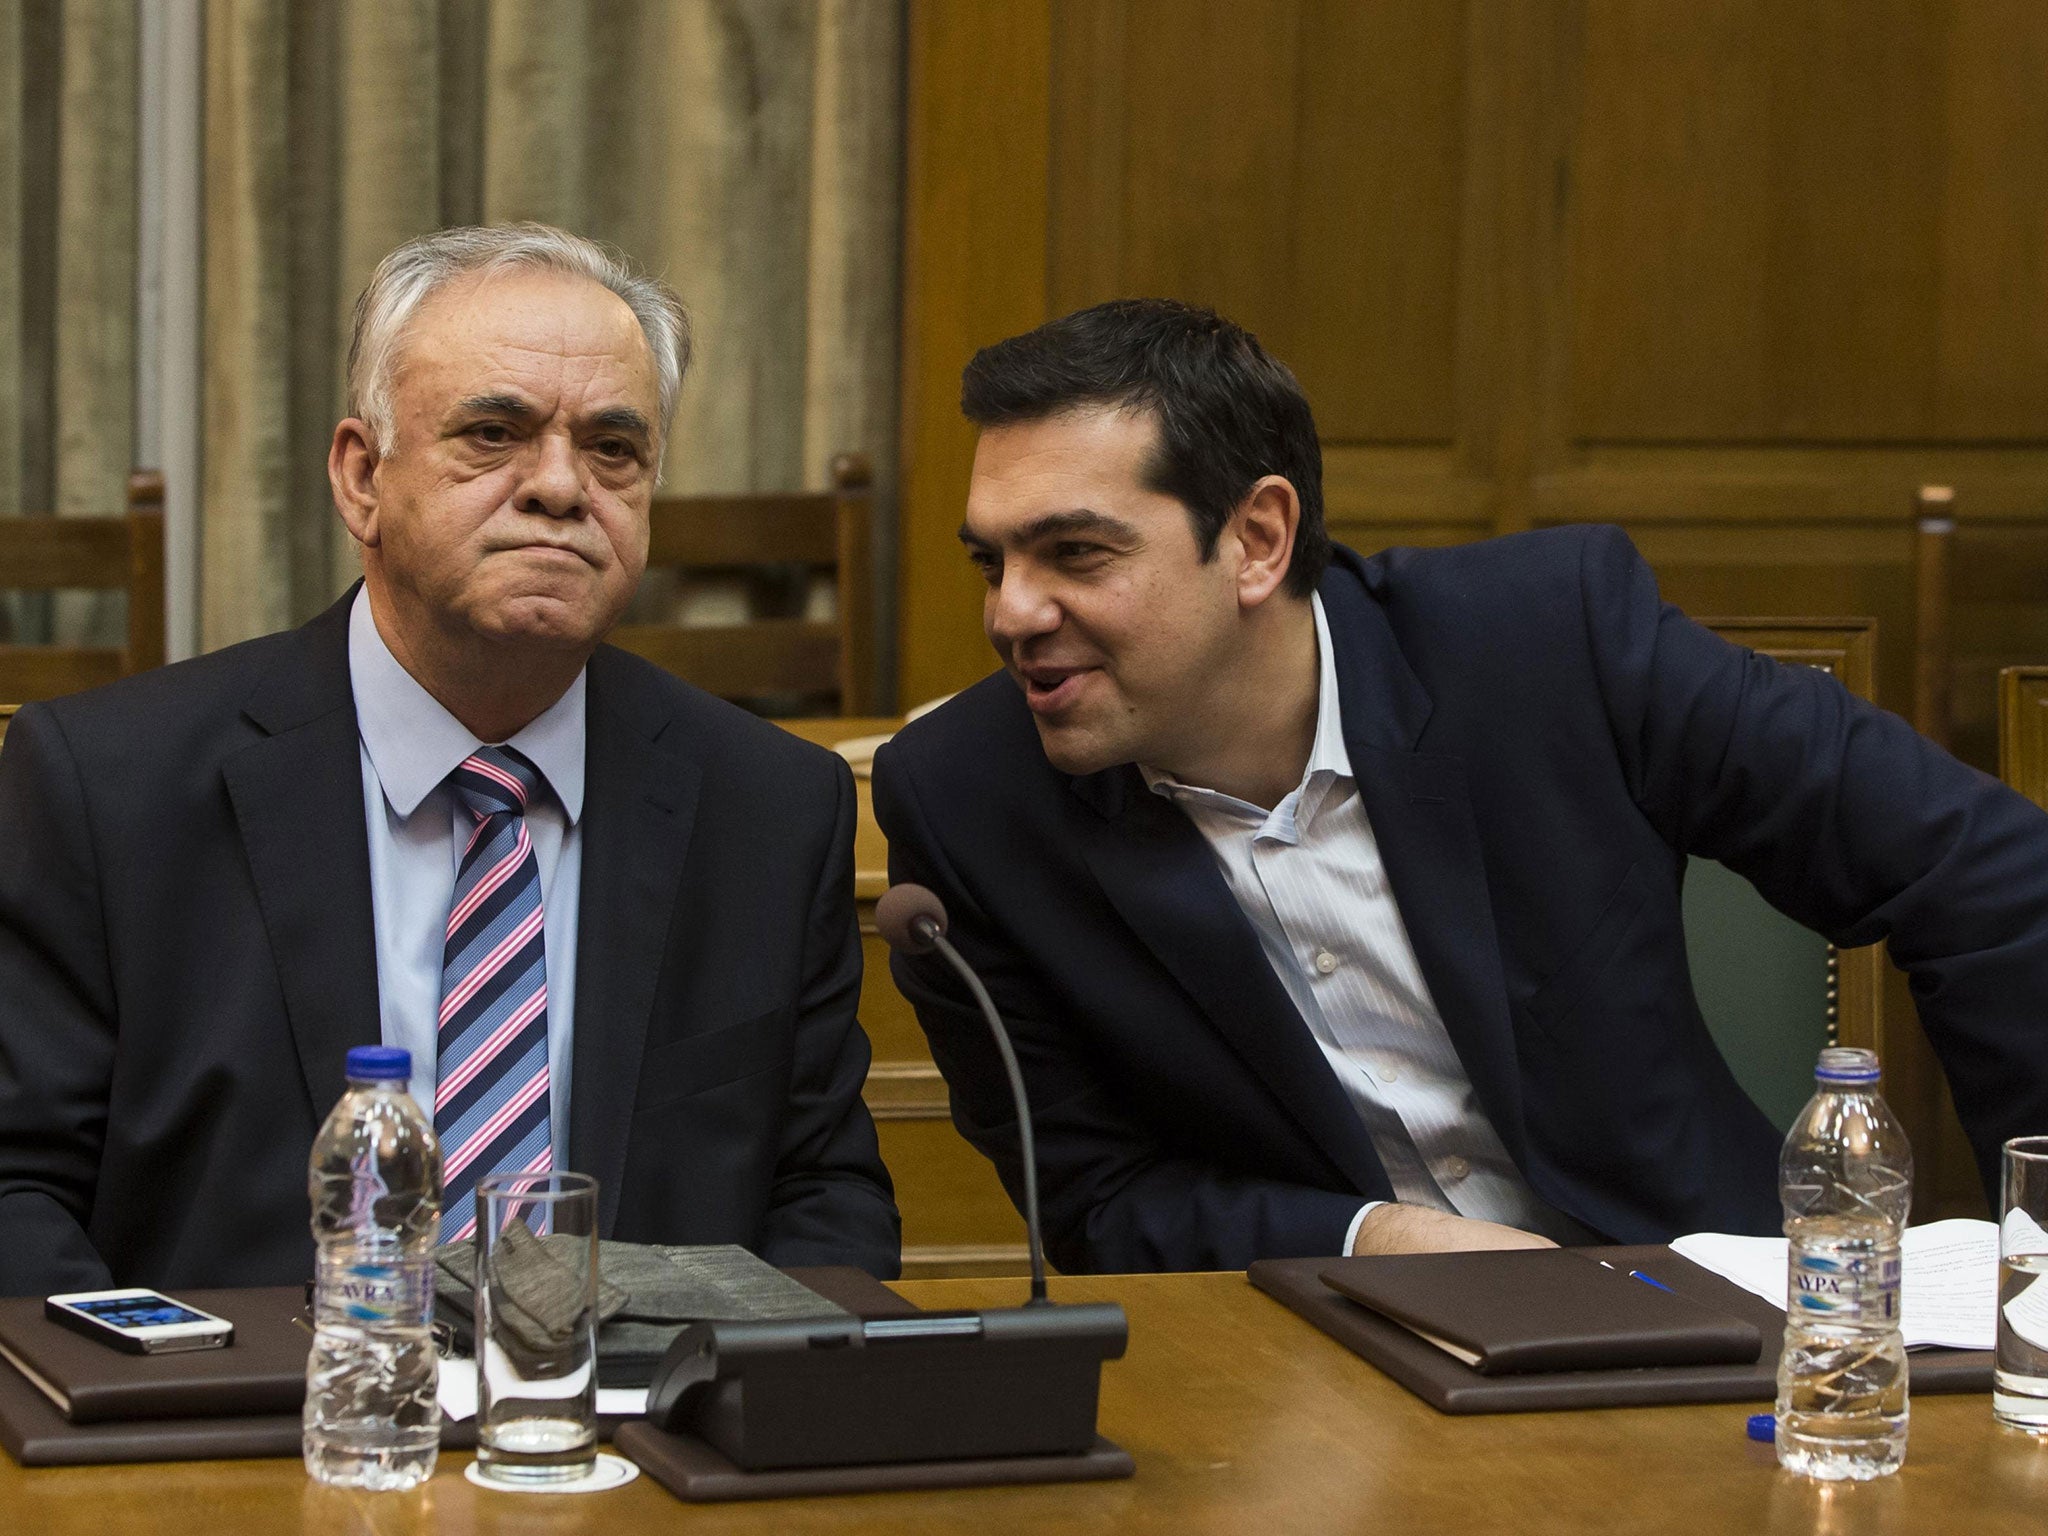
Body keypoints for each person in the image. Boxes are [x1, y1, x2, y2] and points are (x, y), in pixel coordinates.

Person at [872, 297, 2048, 1274]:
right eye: (992, 560)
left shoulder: (1545, 641)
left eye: (1074, 554)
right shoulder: (968, 799)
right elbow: (1096, 1197)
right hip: (1313, 1381)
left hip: (1706, 1325)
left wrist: (2035, 1265)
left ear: (1257, 540)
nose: (1010, 613)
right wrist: (1371, 1238)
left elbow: (1981, 872)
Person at [0, 224, 898, 1296]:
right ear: (360, 478)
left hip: (635, 1440)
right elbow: (18, 1189)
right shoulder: (109, 786)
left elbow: (822, 1194)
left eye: (614, 449)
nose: (561, 487)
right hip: (236, 1427)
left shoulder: (766, 807)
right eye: (493, 432)